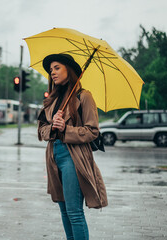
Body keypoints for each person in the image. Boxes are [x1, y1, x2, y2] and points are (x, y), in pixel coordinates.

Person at [37, 54, 108, 240]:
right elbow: (41, 131)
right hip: (54, 156)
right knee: (63, 210)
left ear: (69, 69)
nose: (52, 72)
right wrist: (52, 127)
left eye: (57, 67)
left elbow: (93, 131)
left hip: (73, 156)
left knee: (74, 211)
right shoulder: (52, 101)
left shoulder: (84, 97)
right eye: (50, 69)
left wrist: (66, 129)